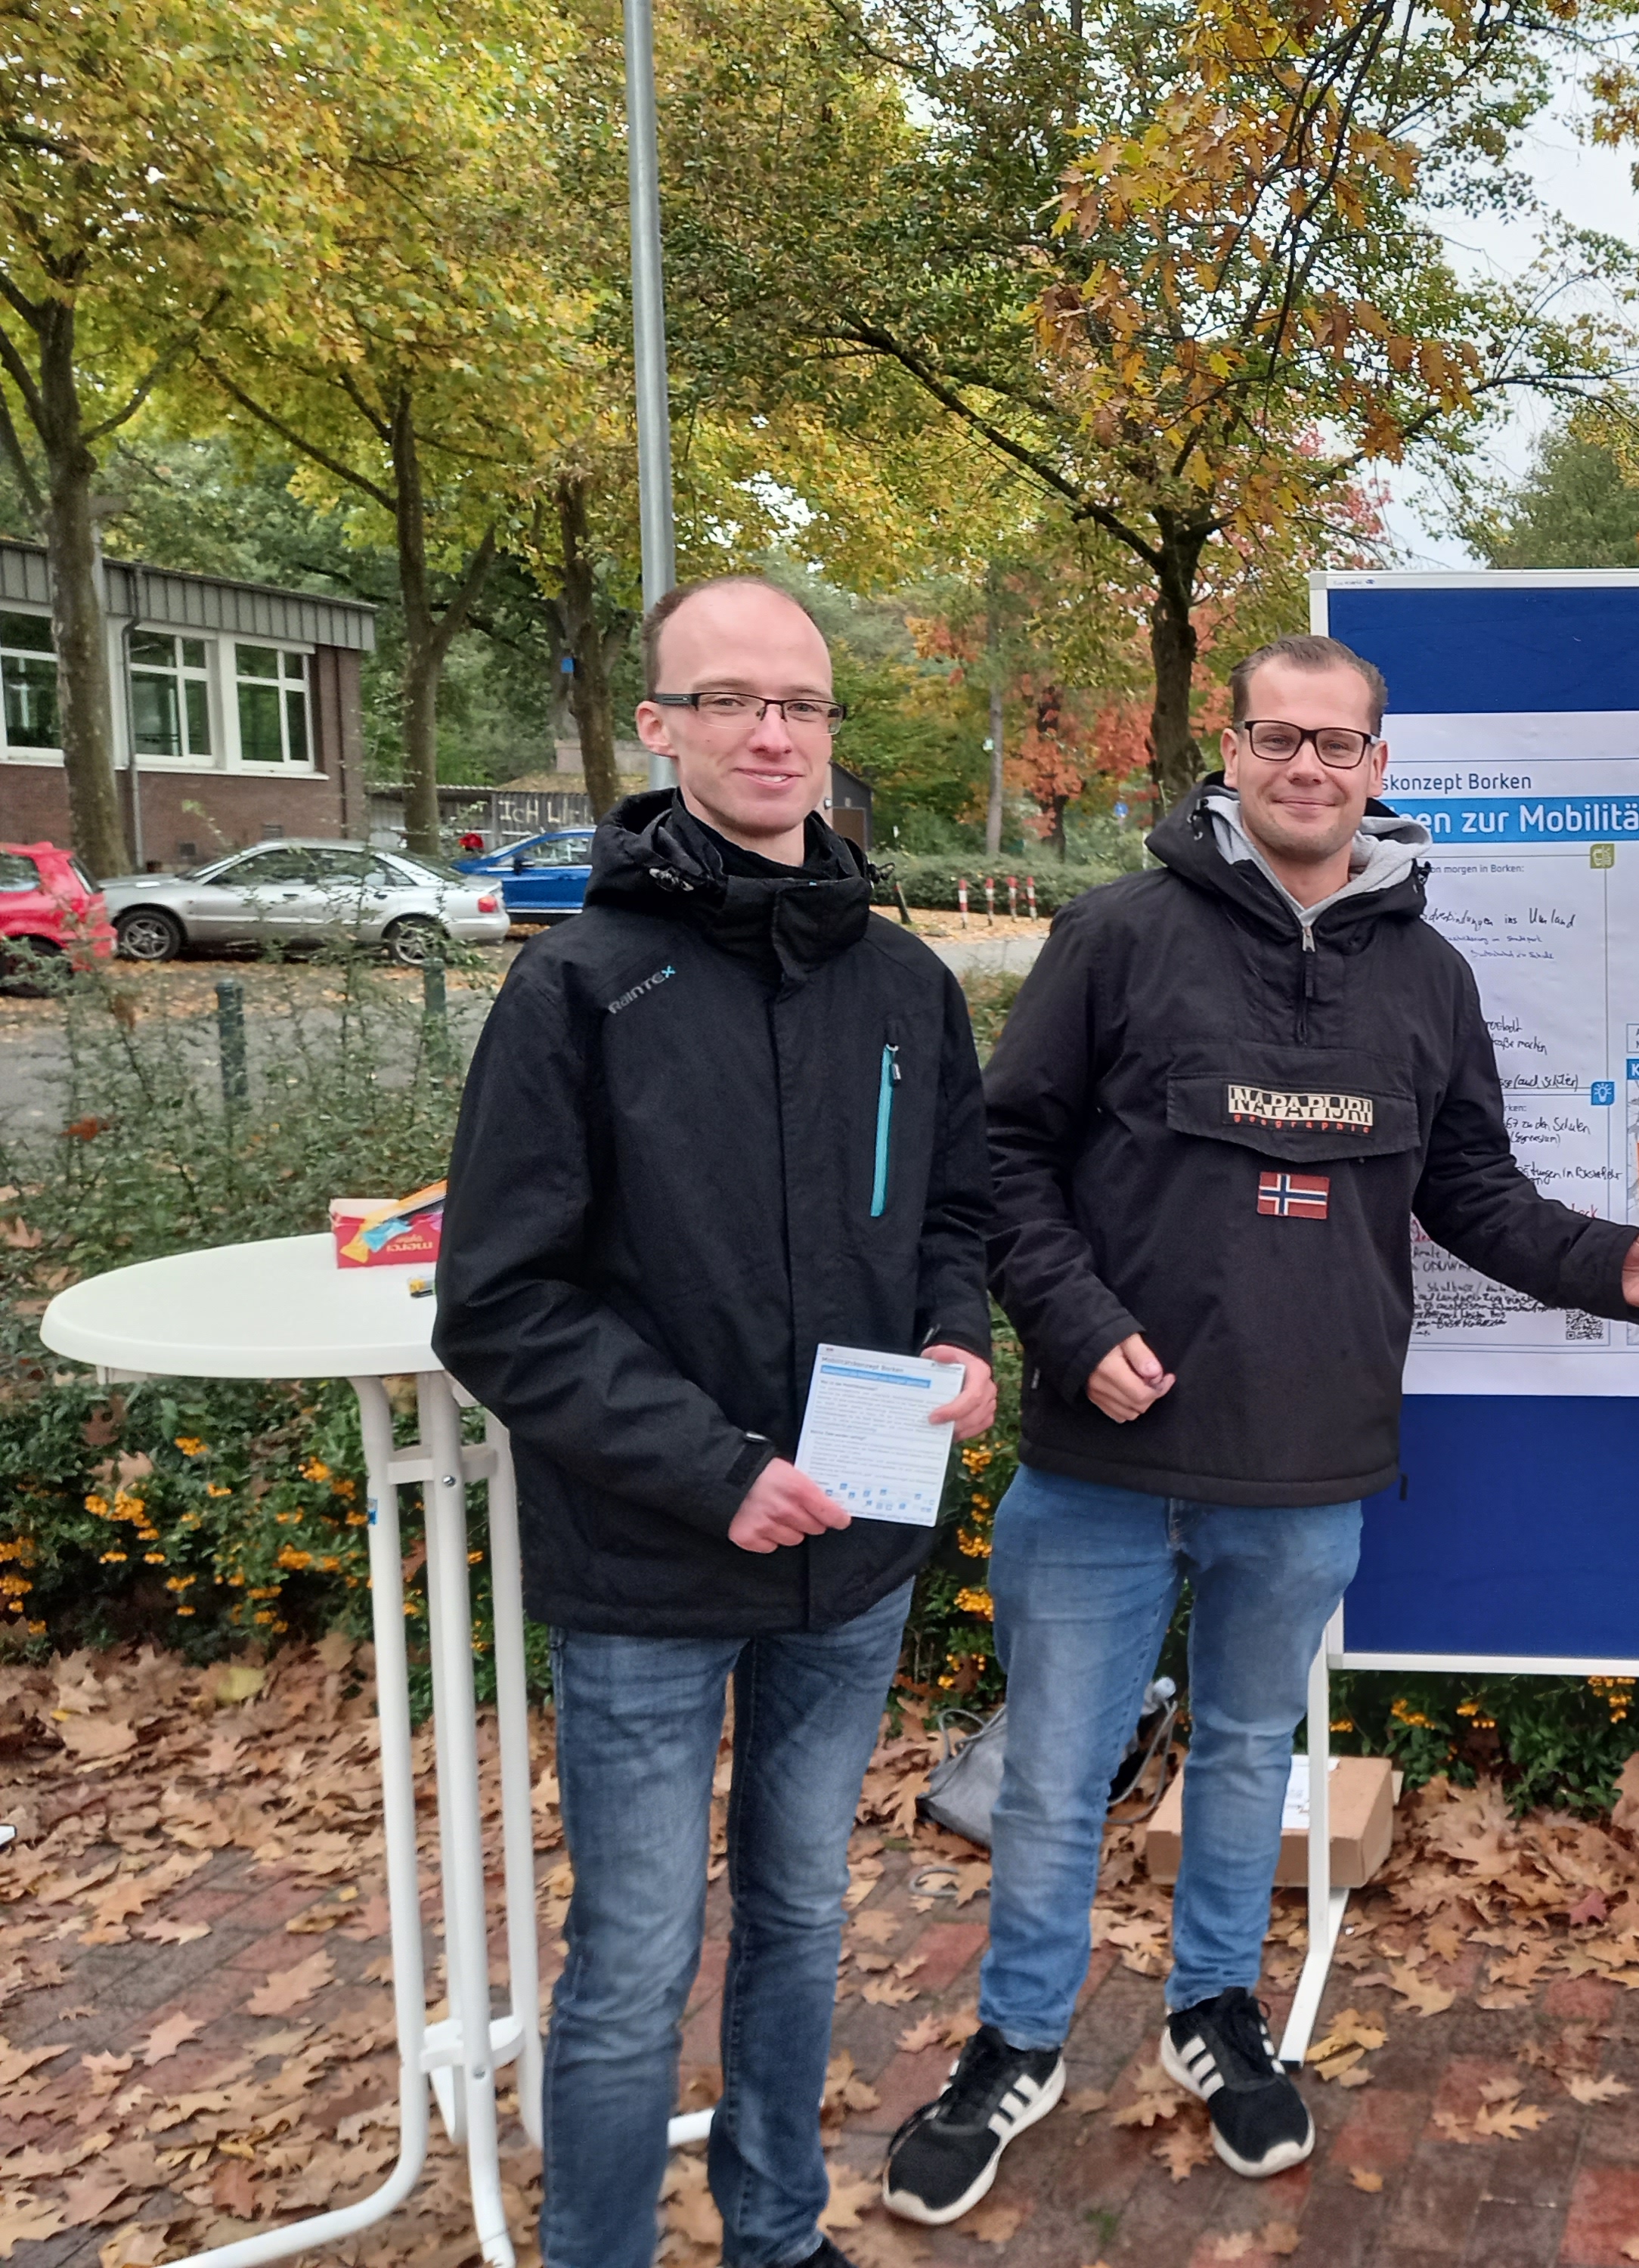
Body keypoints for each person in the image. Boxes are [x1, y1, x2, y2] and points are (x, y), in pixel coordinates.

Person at [882, 631, 1639, 2221]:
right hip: (1102, 1455)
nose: (1308, 767)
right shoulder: (1118, 934)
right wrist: (1075, 1321)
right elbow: (1003, 1161)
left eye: (1338, 744)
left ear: (1379, 767)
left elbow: (1464, 1190)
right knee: (1056, 1770)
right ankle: (1017, 2045)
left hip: (1306, 1463)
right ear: (1232, 755)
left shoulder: (1428, 976)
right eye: (1278, 739)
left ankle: (1211, 2014)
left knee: (1251, 1758)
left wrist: (1614, 1266)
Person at [435, 575, 998, 2268]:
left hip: (857, 1558)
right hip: (651, 1567)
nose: (772, 733)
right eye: (731, 700)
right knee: (630, 1964)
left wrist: (959, 1347)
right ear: (659, 727)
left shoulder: (905, 987)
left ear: (833, 733)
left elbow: (951, 1219)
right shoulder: (578, 990)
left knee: (802, 1915)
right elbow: (501, 1303)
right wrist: (716, 1473)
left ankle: (774, 2233)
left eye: (802, 705)